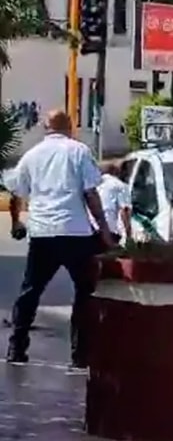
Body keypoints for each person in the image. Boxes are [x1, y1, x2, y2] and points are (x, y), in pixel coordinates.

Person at [5, 109, 115, 368]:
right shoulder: (78, 151)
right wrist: (105, 231)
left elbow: (15, 193)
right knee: (85, 292)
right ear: (71, 126)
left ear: (46, 126)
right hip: (75, 232)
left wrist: (16, 223)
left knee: (30, 291)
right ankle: (80, 355)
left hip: (42, 233)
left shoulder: (31, 156)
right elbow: (91, 194)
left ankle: (16, 349)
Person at [94, 160, 132, 245]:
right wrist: (129, 233)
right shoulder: (119, 185)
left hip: (92, 229)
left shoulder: (95, 185)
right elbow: (125, 211)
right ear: (115, 171)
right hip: (110, 230)